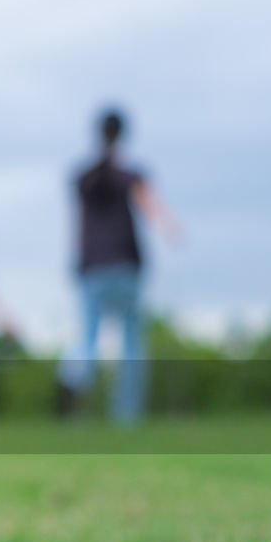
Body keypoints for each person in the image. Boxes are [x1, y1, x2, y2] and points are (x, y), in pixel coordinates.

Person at [56, 108, 181, 423]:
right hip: (125, 265)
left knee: (87, 338)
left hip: (93, 267)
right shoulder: (129, 175)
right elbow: (148, 204)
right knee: (131, 342)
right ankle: (126, 416)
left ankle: (72, 392)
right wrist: (168, 225)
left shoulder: (84, 176)